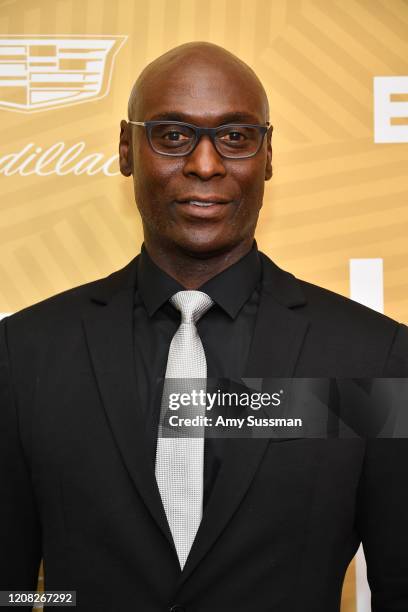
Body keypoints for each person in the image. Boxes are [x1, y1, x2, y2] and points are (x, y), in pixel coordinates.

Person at [1, 42, 407, 612]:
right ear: (126, 148)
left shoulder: (370, 356)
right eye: (173, 134)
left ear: (267, 155)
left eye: (236, 137)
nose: (206, 163)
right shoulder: (26, 354)